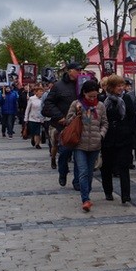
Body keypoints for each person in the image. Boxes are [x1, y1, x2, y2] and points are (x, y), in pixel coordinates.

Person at [65, 80, 108, 212]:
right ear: (84, 93)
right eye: (90, 96)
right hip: (80, 144)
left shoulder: (100, 106)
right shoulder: (76, 104)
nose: (92, 99)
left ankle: (86, 192)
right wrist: (76, 115)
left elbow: (105, 123)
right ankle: (85, 199)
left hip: (95, 144)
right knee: (83, 172)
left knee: (89, 173)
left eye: (95, 96)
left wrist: (101, 135)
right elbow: (68, 121)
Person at [42, 62, 82, 190]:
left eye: (80, 70)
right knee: (64, 153)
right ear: (69, 71)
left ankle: (77, 181)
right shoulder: (58, 86)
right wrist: (60, 117)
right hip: (64, 126)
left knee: (79, 155)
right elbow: (48, 104)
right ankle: (63, 172)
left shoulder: (82, 84)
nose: (79, 72)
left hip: (80, 125)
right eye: (77, 70)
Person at [100, 74, 136, 204]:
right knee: (107, 167)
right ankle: (108, 191)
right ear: (111, 87)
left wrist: (129, 131)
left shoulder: (126, 98)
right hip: (108, 138)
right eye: (118, 86)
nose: (121, 88)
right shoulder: (104, 99)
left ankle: (126, 195)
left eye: (122, 85)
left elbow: (132, 117)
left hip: (123, 138)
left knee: (123, 167)